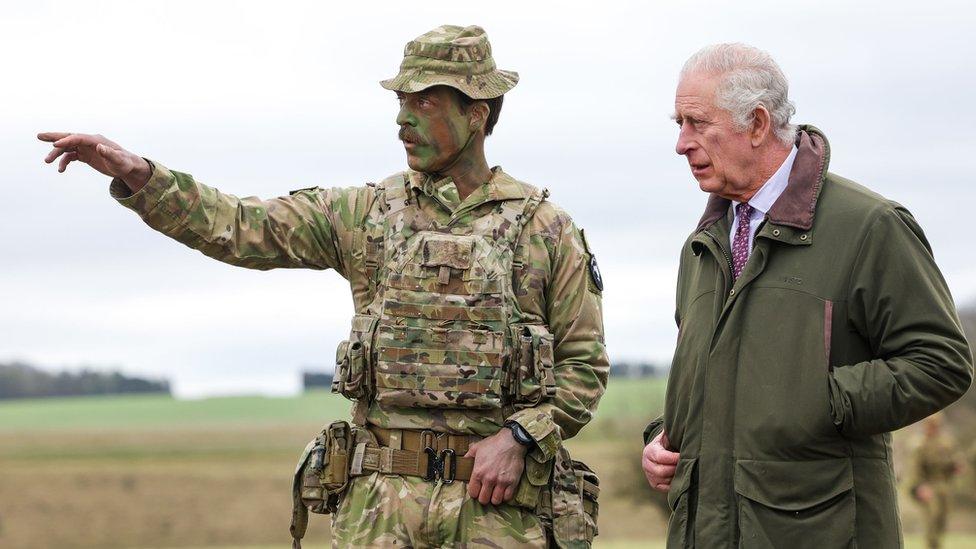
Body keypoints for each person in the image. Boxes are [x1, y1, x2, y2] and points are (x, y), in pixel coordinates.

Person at [38, 25, 607, 549]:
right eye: (400, 103)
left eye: (424, 102)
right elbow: (239, 226)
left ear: (477, 113)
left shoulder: (543, 228)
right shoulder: (364, 214)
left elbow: (584, 364)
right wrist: (138, 174)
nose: (402, 120)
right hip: (379, 511)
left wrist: (521, 438)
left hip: (499, 513)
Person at [640, 43, 973, 548]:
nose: (681, 143)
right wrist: (664, 438)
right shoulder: (703, 245)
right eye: (678, 123)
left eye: (696, 122)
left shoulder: (869, 226)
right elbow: (722, 378)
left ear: (756, 124)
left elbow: (941, 362)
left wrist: (818, 400)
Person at [910, 414, 961, 549]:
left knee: (941, 523)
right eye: (930, 425)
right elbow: (915, 470)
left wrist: (956, 466)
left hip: (945, 487)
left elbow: (955, 462)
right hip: (929, 487)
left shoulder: (946, 443)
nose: (932, 428)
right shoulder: (920, 445)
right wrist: (920, 487)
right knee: (930, 525)